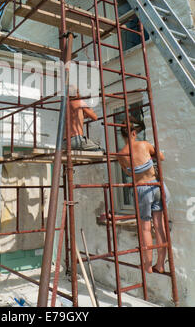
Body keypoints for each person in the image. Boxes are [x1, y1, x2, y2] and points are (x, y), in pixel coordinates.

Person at [116, 117, 170, 274]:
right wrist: (149, 159)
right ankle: (160, 264)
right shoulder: (144, 145)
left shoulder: (121, 154)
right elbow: (161, 157)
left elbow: (127, 173)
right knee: (159, 226)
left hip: (142, 190)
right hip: (157, 186)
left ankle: (147, 265)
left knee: (146, 229)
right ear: (134, 133)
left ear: (123, 135)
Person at [63, 85, 104, 152]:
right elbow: (95, 117)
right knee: (100, 150)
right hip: (76, 140)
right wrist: (86, 106)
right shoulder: (80, 102)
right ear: (77, 93)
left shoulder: (66, 105)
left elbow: (75, 117)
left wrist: (84, 114)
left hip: (64, 142)